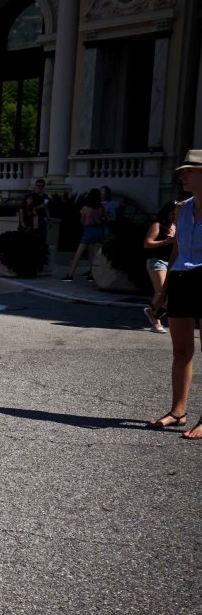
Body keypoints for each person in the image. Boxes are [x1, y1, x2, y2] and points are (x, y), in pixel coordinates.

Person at [148, 150, 202, 439]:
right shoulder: (181, 209)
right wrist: (163, 292)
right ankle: (178, 411)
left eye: (190, 171)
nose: (183, 176)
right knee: (181, 351)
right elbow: (177, 251)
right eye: (183, 171)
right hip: (181, 278)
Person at [142, 200, 177, 333]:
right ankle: (156, 323)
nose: (174, 216)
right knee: (161, 291)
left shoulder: (177, 226)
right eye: (172, 214)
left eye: (177, 214)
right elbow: (147, 243)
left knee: (170, 294)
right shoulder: (158, 225)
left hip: (172, 262)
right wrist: (165, 242)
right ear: (167, 212)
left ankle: (152, 311)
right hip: (157, 261)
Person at [66, 189, 106, 281]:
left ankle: (70, 274)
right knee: (93, 254)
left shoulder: (85, 208)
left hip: (88, 230)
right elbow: (106, 218)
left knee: (78, 253)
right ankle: (92, 274)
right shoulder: (101, 207)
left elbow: (83, 222)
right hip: (98, 230)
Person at [29, 179, 51, 245]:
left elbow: (46, 208)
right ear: (36, 185)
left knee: (43, 236)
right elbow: (30, 209)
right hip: (34, 219)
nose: (40, 187)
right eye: (38, 186)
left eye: (42, 186)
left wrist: (49, 219)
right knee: (34, 236)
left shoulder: (45, 196)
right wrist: (40, 206)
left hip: (42, 218)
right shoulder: (32, 196)